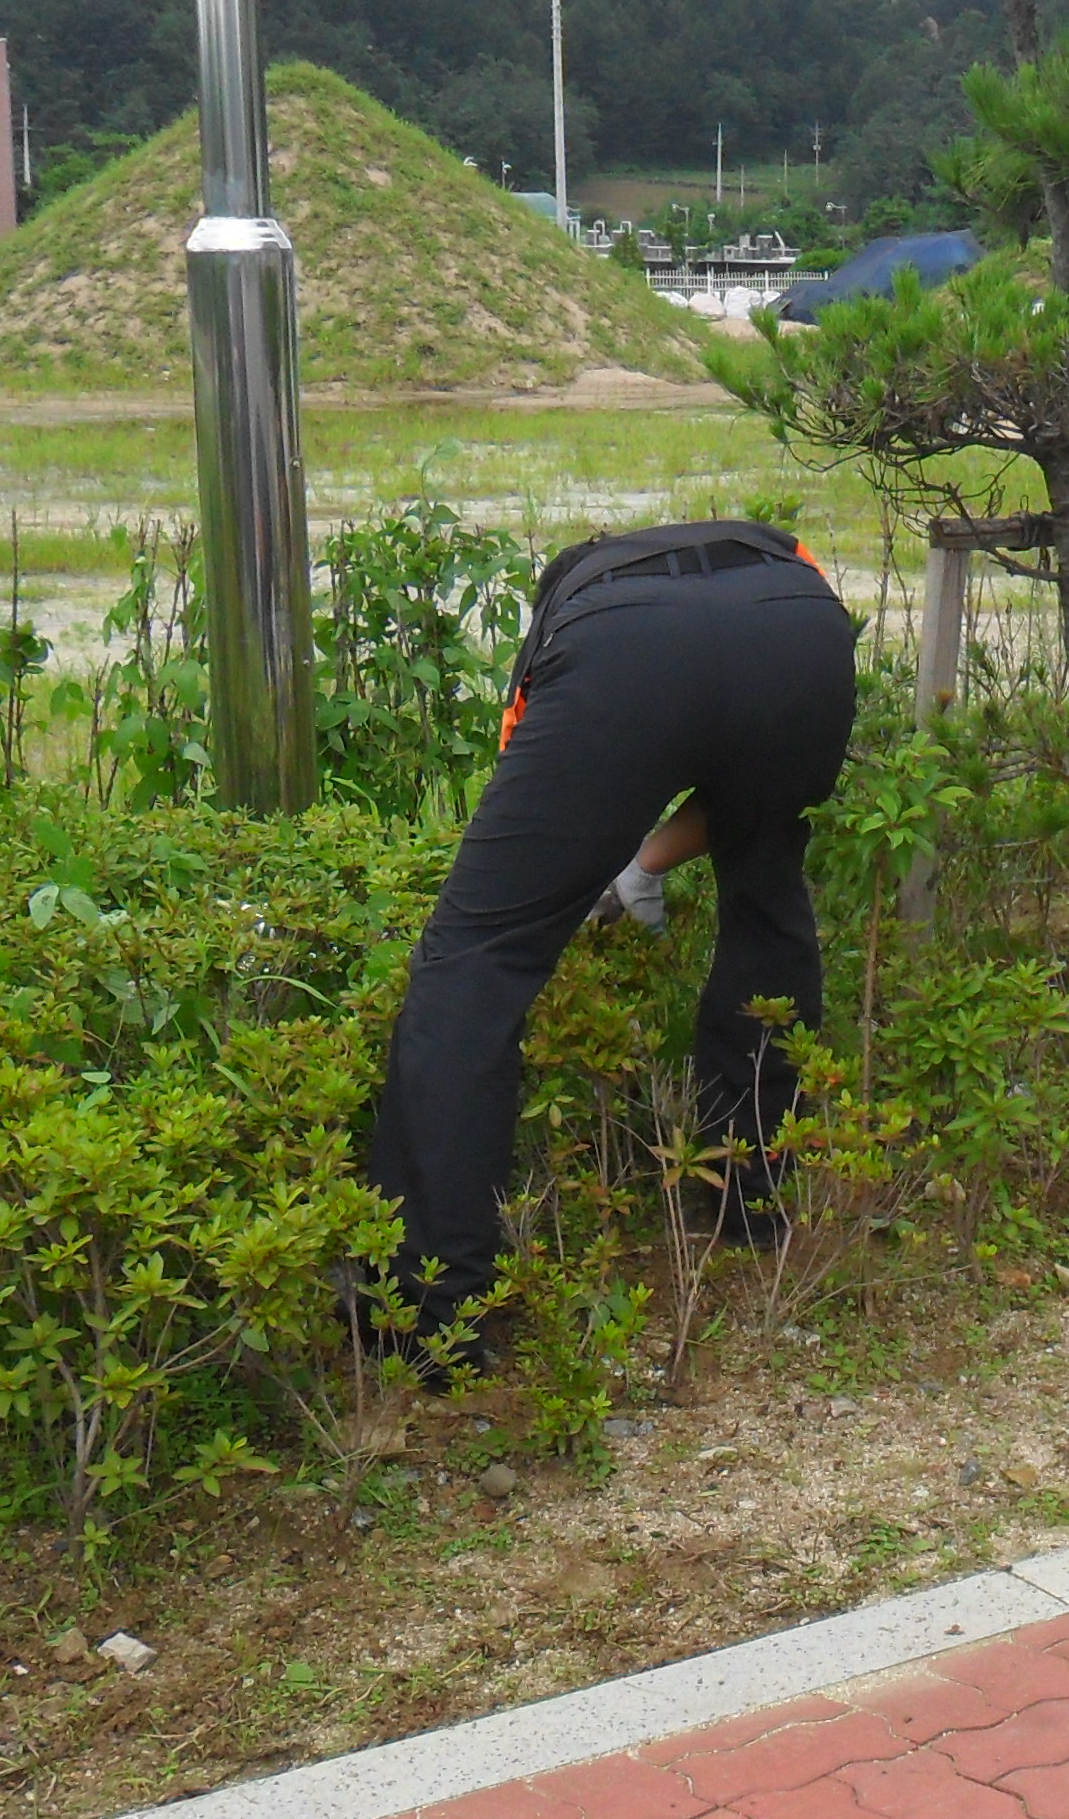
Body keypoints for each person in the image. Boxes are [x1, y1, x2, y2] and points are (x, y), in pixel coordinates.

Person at [369, 517, 861, 1352]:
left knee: (476, 959)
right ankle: (753, 1202)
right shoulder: (772, 553)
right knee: (768, 886)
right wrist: (640, 867)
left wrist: (574, 885)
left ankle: (433, 1315)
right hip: (801, 626)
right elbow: (743, 801)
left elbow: (526, 839)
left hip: (627, 649)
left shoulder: (573, 611)